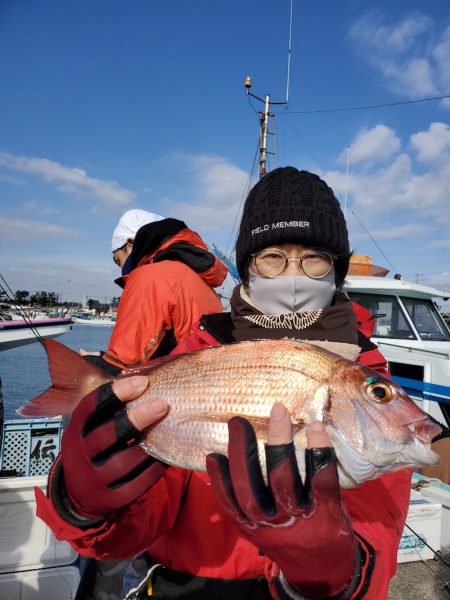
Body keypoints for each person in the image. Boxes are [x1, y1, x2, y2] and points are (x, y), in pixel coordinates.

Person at [36, 168, 413, 599]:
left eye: (314, 257)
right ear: (248, 268)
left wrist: (332, 567)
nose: (293, 275)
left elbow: (379, 526)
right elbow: (138, 528)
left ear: (336, 271)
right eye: (272, 256)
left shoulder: (367, 376)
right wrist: (86, 504)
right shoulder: (197, 354)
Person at [81, 208, 228, 374]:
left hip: (178, 392)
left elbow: (124, 369)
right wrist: (103, 358)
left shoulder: (151, 278)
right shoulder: (194, 277)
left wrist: (87, 364)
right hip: (204, 384)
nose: (121, 268)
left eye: (118, 261)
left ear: (131, 245)